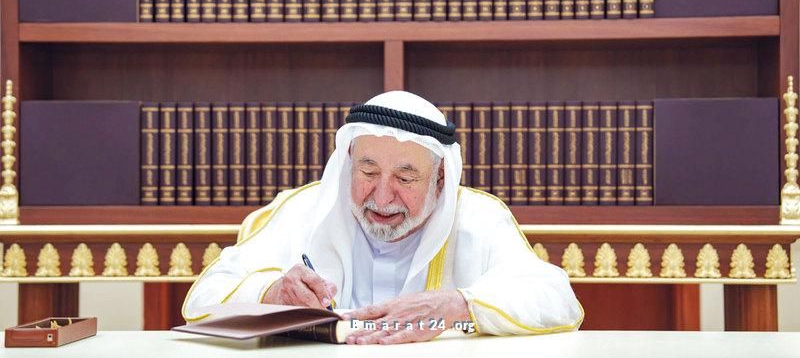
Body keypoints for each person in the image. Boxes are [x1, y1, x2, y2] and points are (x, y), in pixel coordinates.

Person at [182, 91, 583, 344]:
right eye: (368, 172)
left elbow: (558, 300)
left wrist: (459, 304)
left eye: (405, 178)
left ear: (441, 179)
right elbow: (203, 300)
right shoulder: (302, 210)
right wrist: (270, 293)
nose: (382, 196)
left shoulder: (479, 219)